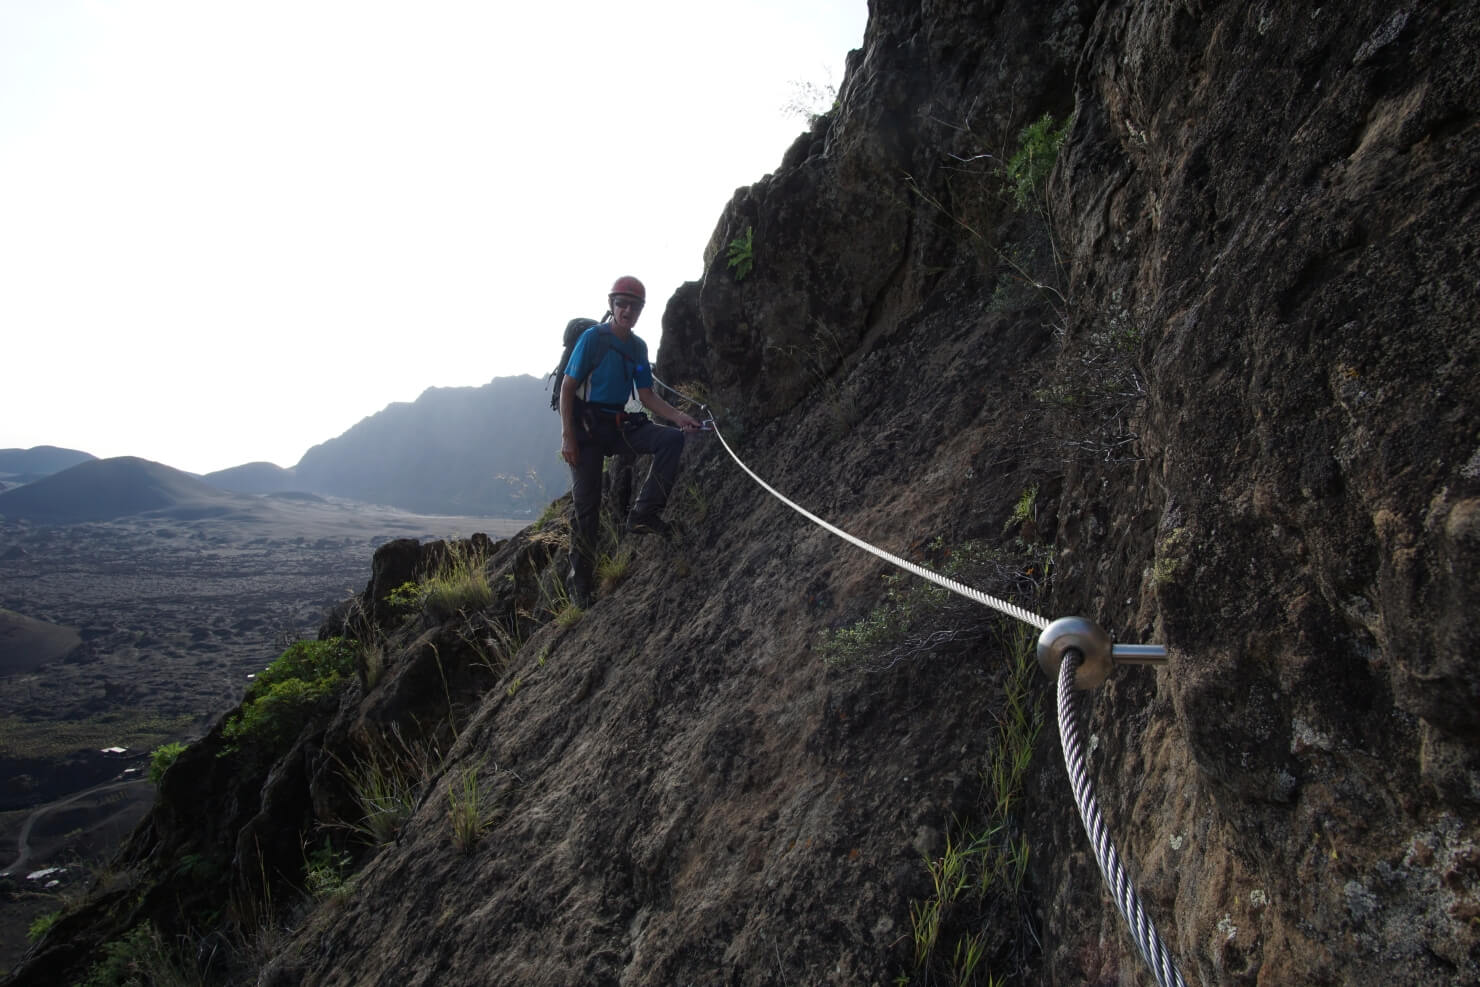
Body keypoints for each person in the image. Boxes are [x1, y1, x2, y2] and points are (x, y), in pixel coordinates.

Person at [560, 275, 700, 607]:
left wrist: (679, 418)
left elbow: (647, 395)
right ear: (612, 306)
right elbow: (568, 388)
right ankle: (580, 583)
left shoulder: (637, 348)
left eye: (634, 306)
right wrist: (568, 437)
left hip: (619, 423)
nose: (627, 311)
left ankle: (644, 514)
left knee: (669, 440)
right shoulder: (593, 340)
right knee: (587, 509)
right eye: (622, 304)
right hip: (586, 430)